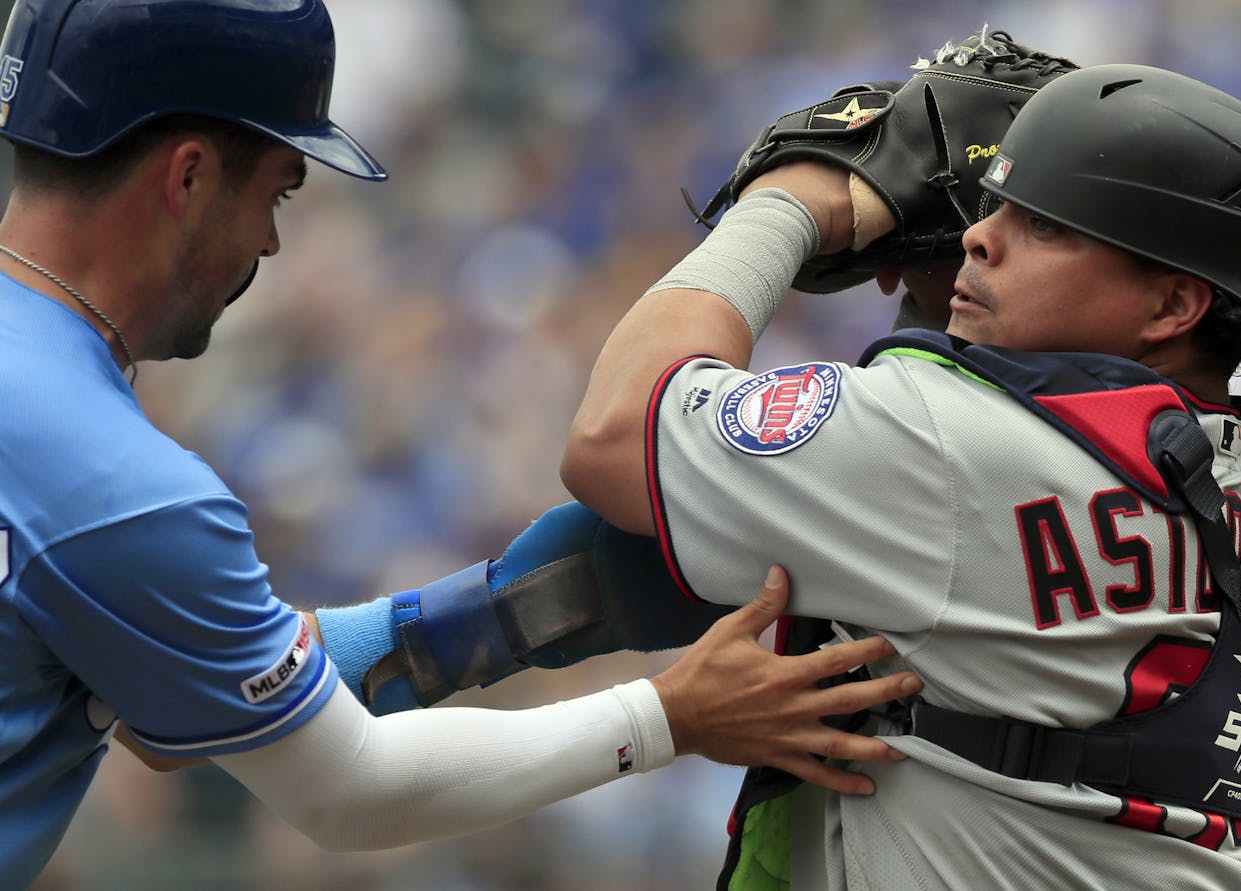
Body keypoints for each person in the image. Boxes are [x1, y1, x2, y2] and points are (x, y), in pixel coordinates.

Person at [0, 1, 923, 887]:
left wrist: (505, 612)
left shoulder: (77, 460)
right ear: (190, 176)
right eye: (278, 190)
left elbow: (189, 681)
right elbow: (345, 790)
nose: (274, 242)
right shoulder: (120, 487)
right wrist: (668, 715)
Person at [561, 57, 1241, 890]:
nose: (978, 235)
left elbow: (614, 440)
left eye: (1047, 225)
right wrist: (954, 296)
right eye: (996, 203)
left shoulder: (952, 440)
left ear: (1173, 307)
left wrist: (789, 202)